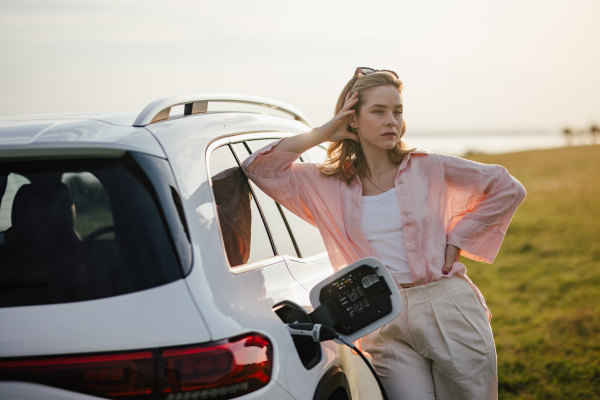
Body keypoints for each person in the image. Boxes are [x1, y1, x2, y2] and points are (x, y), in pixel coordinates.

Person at [241, 67, 526, 400]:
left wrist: (458, 238)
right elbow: (258, 168)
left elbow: (506, 187)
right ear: (352, 119)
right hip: (380, 317)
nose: (392, 120)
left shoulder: (428, 166)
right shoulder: (326, 183)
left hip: (446, 306)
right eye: (378, 111)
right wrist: (321, 133)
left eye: (398, 111)